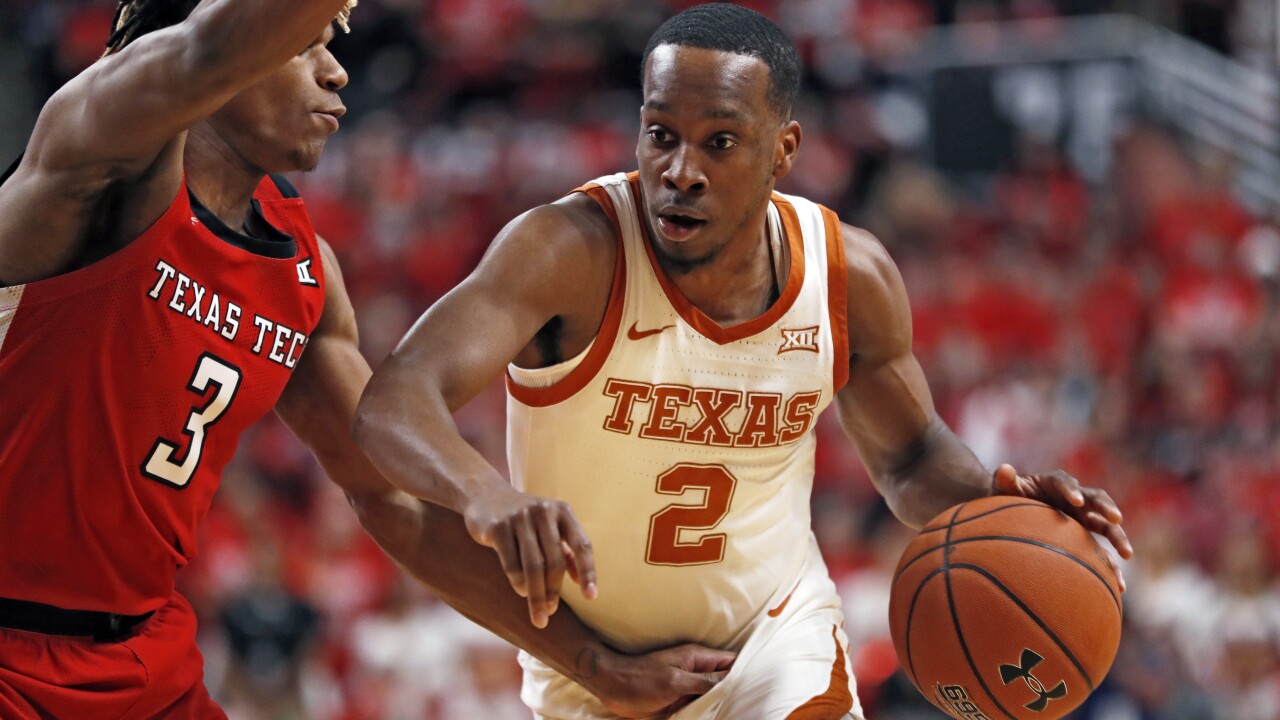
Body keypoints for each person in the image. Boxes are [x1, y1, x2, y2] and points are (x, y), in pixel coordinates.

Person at [353, 4, 1135, 719]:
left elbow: (908, 454)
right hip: (586, 669)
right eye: (661, 134)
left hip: (773, 643)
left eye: (719, 141)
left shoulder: (846, 276)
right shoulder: (569, 251)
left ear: (782, 150)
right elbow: (394, 400)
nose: (681, 170)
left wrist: (1006, 503)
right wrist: (482, 491)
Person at [0, 1, 733, 717]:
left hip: (144, 653)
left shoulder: (303, 272)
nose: (336, 73)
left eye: (334, 44)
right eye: (304, 45)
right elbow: (206, 50)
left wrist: (592, 663)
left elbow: (395, 500)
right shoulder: (98, 160)